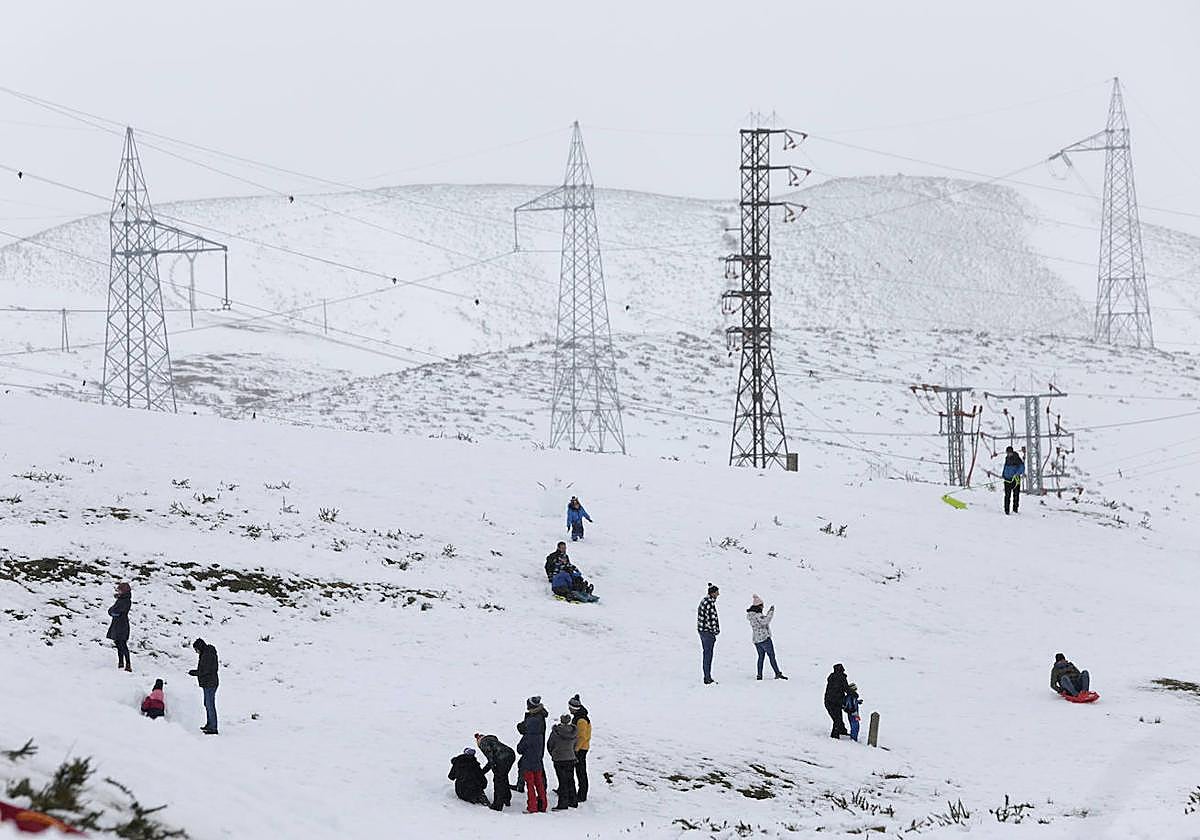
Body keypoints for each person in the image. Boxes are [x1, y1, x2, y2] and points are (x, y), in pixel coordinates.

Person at [746, 595, 787, 681]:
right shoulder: (758, 615)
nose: (763, 606)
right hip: (764, 638)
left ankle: (759, 675)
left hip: (756, 640)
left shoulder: (751, 615)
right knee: (772, 656)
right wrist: (771, 612)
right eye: (762, 605)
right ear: (758, 606)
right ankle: (777, 673)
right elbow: (765, 621)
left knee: (761, 657)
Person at [515, 696, 549, 797]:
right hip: (536, 744)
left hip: (533, 745)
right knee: (525, 764)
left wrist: (523, 727)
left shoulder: (535, 718)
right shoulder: (536, 715)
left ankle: (541, 787)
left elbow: (526, 730)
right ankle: (520, 785)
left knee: (536, 766)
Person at [474, 732, 516, 811]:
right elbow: (492, 758)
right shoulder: (492, 739)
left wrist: (493, 767)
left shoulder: (483, 742)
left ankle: (497, 805)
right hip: (510, 754)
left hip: (501, 759)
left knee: (498, 781)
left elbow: (490, 756)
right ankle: (506, 799)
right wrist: (483, 771)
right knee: (503, 777)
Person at [546, 714, 579, 810]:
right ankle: (573, 800)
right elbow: (575, 744)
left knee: (562, 781)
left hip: (559, 759)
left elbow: (550, 744)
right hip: (571, 758)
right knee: (571, 779)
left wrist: (553, 753)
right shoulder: (574, 732)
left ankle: (563, 803)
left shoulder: (556, 732)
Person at [187, 638, 219, 735]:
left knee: (210, 705)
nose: (196, 652)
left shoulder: (207, 655)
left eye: (196, 649)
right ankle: (209, 724)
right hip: (208, 683)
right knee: (207, 704)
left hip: (210, 683)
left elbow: (205, 670)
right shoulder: (206, 653)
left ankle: (213, 727)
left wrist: (194, 673)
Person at [515, 720, 547, 813]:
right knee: (540, 785)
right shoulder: (540, 736)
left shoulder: (527, 737)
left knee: (530, 785)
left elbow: (519, 749)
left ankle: (532, 807)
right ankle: (543, 805)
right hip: (538, 763)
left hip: (528, 764)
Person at [568, 694, 591, 803]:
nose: (569, 709)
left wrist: (576, 749)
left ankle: (582, 795)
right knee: (577, 771)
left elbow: (582, 737)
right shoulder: (579, 716)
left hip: (581, 749)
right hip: (580, 748)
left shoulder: (581, 720)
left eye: (570, 708)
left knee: (581, 772)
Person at [697, 583, 720, 684]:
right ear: (713, 593)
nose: (718, 594)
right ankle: (707, 677)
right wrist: (715, 631)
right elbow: (711, 620)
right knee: (708, 654)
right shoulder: (709, 603)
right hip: (708, 633)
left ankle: (707, 675)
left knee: (706, 653)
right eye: (717, 592)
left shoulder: (704, 600)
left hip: (702, 630)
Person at [106, 582, 132, 672]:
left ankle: (128, 664)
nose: (119, 592)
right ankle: (121, 662)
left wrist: (113, 612)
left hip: (122, 625)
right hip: (117, 624)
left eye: (120, 590)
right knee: (118, 643)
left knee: (122, 644)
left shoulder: (126, 600)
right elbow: (111, 610)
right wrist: (113, 612)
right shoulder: (120, 600)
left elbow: (117, 611)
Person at [825, 663, 850, 739]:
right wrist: (854, 694)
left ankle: (842, 730)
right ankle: (835, 735)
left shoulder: (831, 678)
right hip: (835, 702)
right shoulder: (841, 678)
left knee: (838, 717)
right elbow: (846, 689)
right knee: (837, 719)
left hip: (828, 701)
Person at [1002, 446, 1025, 515]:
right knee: (1007, 495)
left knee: (1016, 495)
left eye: (1009, 453)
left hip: (1015, 480)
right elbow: (1005, 467)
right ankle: (1006, 510)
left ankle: (1015, 509)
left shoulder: (1017, 458)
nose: (1008, 454)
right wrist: (1003, 474)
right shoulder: (1007, 459)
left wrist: (1016, 474)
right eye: (1007, 453)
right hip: (1007, 480)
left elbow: (1022, 467)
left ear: (1012, 452)